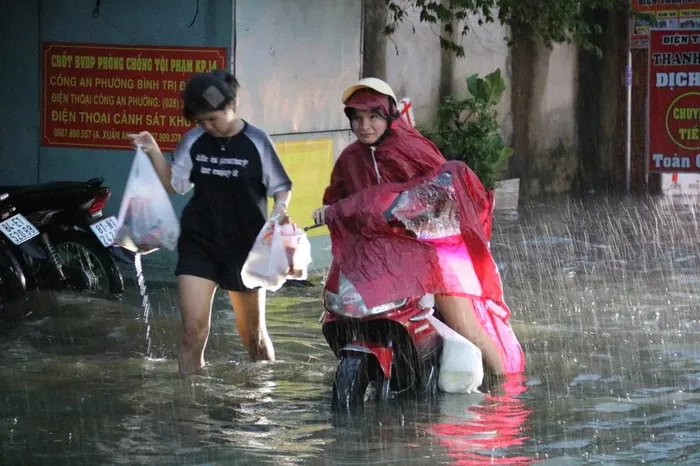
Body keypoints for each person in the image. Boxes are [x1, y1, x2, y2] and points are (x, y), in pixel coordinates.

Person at [312, 78, 524, 377]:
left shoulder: (412, 148)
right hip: (379, 254)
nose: (365, 126)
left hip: (428, 249)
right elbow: (339, 198)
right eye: (357, 118)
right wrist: (327, 210)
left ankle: (505, 387)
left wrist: (409, 213)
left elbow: (444, 190)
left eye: (373, 117)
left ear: (389, 115)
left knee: (464, 324)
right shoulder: (350, 158)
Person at [128, 69, 293, 376]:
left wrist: (280, 210)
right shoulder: (194, 140)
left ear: (232, 107)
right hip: (200, 242)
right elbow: (174, 184)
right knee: (192, 331)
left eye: (213, 119)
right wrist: (152, 150)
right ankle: (191, 412)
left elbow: (281, 186)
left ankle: (262, 405)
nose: (207, 127)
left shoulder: (256, 141)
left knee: (253, 339)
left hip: (245, 248)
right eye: (200, 121)